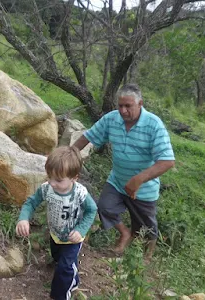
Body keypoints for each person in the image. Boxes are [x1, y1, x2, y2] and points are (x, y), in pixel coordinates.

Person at [73, 83, 175, 262]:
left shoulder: (154, 125)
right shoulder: (112, 119)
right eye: (120, 105)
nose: (123, 110)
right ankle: (125, 234)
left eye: (128, 106)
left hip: (144, 188)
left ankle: (146, 259)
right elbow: (88, 136)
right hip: (117, 180)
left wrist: (139, 179)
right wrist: (68, 155)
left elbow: (167, 161)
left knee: (147, 227)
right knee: (104, 207)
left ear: (140, 104)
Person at [16, 146, 97, 300]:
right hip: (55, 234)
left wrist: (81, 230)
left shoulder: (80, 194)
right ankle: (72, 278)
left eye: (58, 180)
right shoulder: (47, 189)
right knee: (58, 257)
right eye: (49, 177)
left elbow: (92, 210)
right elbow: (30, 203)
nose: (52, 183)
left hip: (73, 238)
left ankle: (60, 295)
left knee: (65, 266)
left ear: (74, 178)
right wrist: (23, 218)